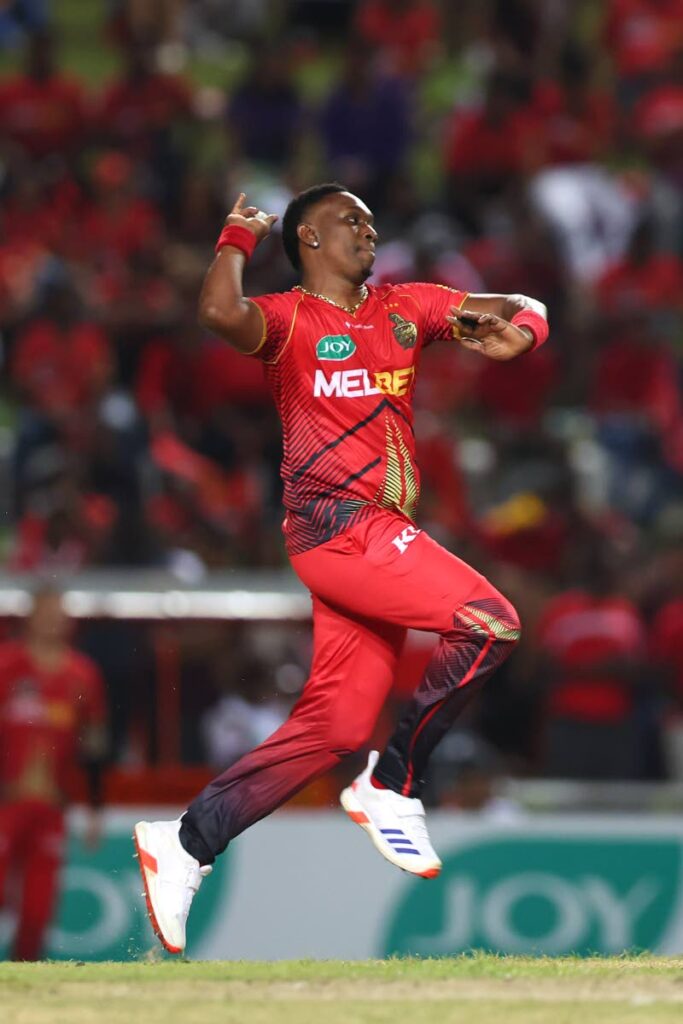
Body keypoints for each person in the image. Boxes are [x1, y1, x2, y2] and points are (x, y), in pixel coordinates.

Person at [134, 183, 549, 954]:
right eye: (347, 219)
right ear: (310, 241)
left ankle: (187, 841)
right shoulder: (291, 321)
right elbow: (221, 316)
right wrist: (233, 236)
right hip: (337, 529)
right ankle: (392, 784)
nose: (368, 226)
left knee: (336, 726)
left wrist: (526, 329)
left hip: (377, 535)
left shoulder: (408, 305)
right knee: (490, 621)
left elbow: (518, 303)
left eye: (369, 216)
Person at [0, 588, 107, 960]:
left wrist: (95, 805)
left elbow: (94, 744)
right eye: (46, 612)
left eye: (59, 612)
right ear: (30, 617)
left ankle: (24, 989)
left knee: (37, 909)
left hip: (51, 806)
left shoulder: (83, 675)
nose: (53, 620)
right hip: (5, 803)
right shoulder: (6, 666)